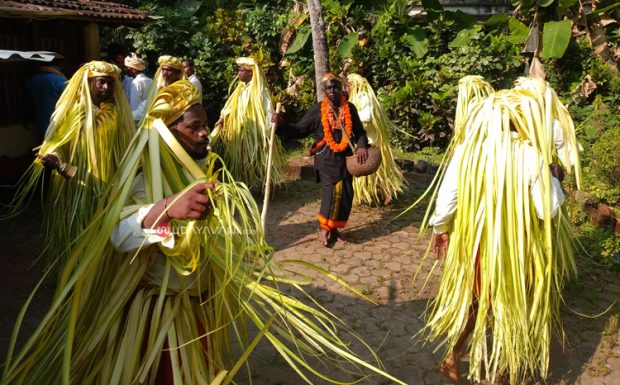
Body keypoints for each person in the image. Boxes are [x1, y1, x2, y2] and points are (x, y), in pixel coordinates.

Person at [1, 80, 406, 385]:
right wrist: (165, 210)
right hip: (160, 315)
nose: (204, 133)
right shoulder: (143, 175)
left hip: (201, 306)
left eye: (205, 125)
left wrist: (240, 242)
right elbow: (117, 234)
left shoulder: (205, 168)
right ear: (166, 131)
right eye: (195, 127)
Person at [424, 90, 575, 385]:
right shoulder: (531, 155)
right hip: (518, 250)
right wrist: (554, 177)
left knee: (474, 301)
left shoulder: (467, 150)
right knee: (514, 307)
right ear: (522, 122)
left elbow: (448, 198)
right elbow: (549, 210)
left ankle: (453, 357)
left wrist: (440, 229)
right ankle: (502, 375)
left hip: (477, 245)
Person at [9, 61, 135, 274]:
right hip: (79, 185)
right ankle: (79, 272)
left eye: (111, 84)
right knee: (82, 230)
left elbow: (128, 146)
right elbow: (58, 145)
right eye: (102, 83)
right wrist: (55, 159)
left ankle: (107, 269)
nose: (107, 88)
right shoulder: (71, 113)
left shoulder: (118, 113)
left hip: (112, 183)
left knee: (110, 226)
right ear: (88, 83)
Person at [275, 72, 369, 246]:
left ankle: (334, 228)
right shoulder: (318, 109)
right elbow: (299, 130)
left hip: (346, 159)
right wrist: (282, 125)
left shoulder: (350, 108)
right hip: (325, 158)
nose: (332, 90)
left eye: (335, 87)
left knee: (346, 194)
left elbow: (360, 132)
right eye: (329, 88)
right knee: (330, 194)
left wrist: (362, 145)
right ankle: (324, 229)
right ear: (324, 90)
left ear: (340, 88)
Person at [210, 56, 286, 190]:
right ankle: (245, 187)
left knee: (257, 161)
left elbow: (268, 111)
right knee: (242, 161)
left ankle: (264, 186)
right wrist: (222, 119)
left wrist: (268, 133)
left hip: (256, 135)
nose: (238, 73)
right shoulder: (239, 89)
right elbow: (230, 106)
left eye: (241, 70)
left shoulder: (260, 91)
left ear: (250, 72)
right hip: (239, 134)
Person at [345, 73, 405, 206]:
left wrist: (351, 122)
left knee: (375, 170)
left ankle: (387, 191)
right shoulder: (356, 98)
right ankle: (365, 195)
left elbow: (366, 118)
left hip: (370, 141)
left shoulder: (366, 98)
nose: (347, 88)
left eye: (349, 86)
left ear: (355, 86)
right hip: (362, 140)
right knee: (370, 172)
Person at [132, 54, 186, 123]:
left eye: (169, 70)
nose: (165, 73)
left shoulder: (183, 90)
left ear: (178, 72)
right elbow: (147, 105)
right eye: (163, 69)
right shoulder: (159, 89)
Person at [25, 58, 67, 140]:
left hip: (40, 123)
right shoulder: (61, 80)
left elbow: (28, 102)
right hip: (58, 123)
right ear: (59, 64)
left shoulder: (33, 80)